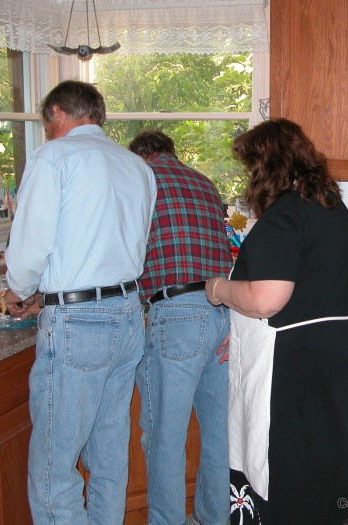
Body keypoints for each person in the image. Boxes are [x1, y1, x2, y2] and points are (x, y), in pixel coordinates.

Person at [3, 80, 157, 525]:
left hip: (79, 326)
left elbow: (31, 247)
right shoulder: (136, 166)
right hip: (128, 316)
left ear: (57, 113)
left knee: (54, 465)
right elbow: (118, 245)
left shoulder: (54, 156)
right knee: (109, 456)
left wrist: (17, 292)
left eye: (46, 124)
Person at [205, 118, 348, 525]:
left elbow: (266, 300)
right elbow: (311, 292)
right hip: (331, 357)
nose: (249, 176)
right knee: (325, 459)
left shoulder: (285, 216)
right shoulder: (331, 207)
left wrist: (217, 290)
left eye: (251, 167)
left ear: (267, 166)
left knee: (283, 466)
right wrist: (244, 336)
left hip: (293, 369)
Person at [128, 130, 232, 525]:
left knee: (164, 436)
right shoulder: (205, 183)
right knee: (218, 435)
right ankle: (214, 519)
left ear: (142, 157)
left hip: (177, 315)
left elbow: (130, 253)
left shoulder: (142, 181)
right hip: (222, 313)